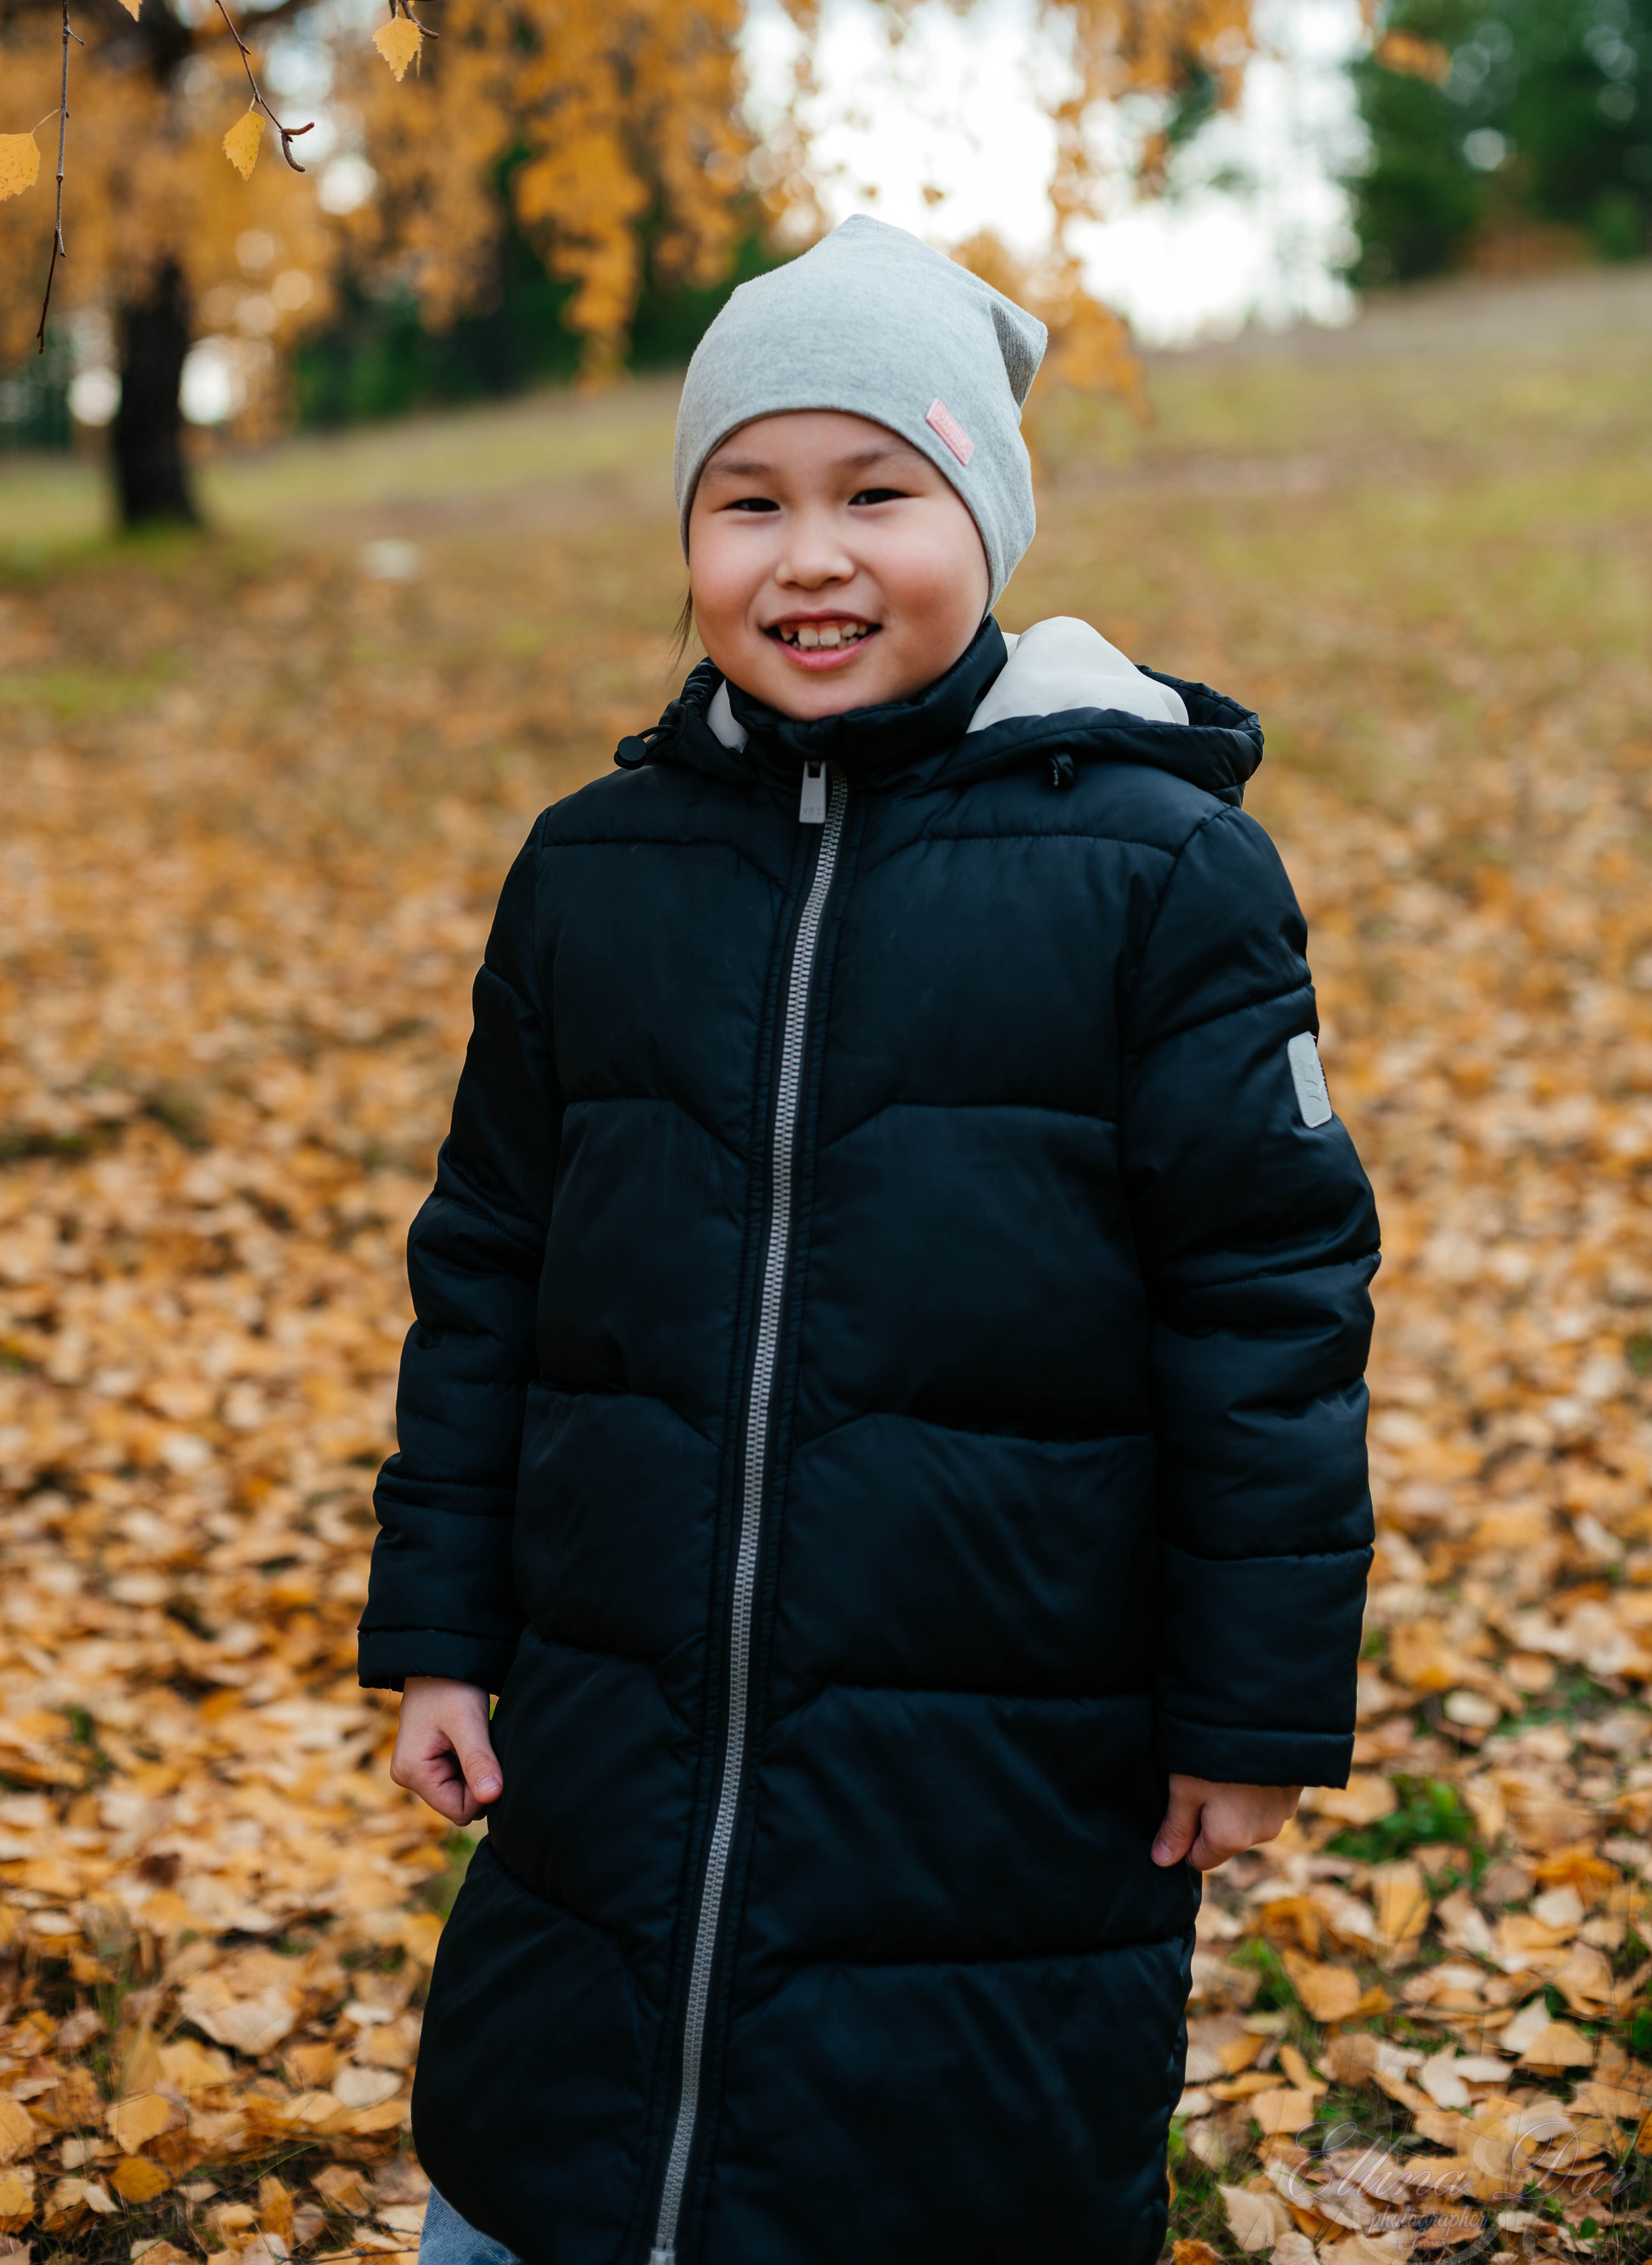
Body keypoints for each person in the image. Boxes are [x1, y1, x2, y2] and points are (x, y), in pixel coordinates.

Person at [358, 215, 1378, 2265]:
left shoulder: (1158, 869)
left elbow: (1265, 1308)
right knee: (555, 2154)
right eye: (747, 502)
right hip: (615, 1737)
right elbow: (486, 1268)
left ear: (985, 519)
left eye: (876, 494)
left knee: (940, 2170)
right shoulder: (593, 873)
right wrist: (443, 1627)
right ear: (688, 541)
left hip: (1003, 1749)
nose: (809, 557)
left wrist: (1251, 1708)